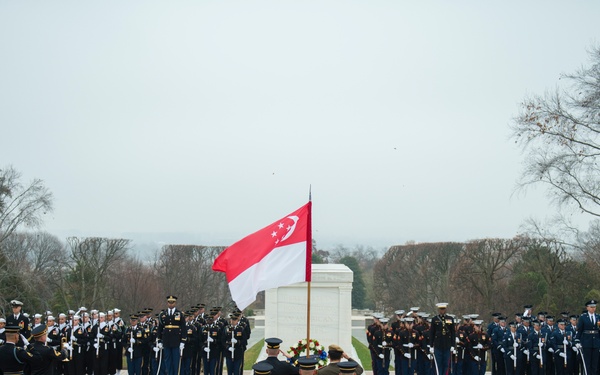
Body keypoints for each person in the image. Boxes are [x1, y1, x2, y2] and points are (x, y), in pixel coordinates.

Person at [157, 296, 186, 375]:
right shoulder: (163, 314)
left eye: (172, 302)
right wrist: (159, 340)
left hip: (176, 340)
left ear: (175, 303)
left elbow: (183, 328)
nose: (171, 304)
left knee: (175, 361)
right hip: (166, 340)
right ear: (167, 303)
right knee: (167, 361)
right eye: (169, 302)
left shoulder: (179, 314)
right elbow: (160, 328)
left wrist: (183, 341)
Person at [574, 300, 600, 375]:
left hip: (596, 343)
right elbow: (580, 330)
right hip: (587, 342)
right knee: (587, 364)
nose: (593, 309)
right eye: (591, 307)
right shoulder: (583, 317)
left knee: (595, 364)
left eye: (594, 307)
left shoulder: (598, 316)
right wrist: (577, 340)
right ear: (587, 307)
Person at [430, 302, 455, 375]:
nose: (442, 311)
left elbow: (453, 333)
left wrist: (453, 345)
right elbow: (432, 333)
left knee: (446, 364)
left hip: (447, 345)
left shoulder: (450, 319)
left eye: (443, 309)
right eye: (441, 309)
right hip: (438, 346)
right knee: (438, 364)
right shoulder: (435, 319)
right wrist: (431, 346)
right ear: (439, 310)